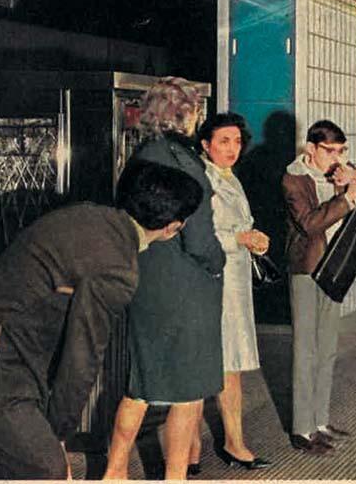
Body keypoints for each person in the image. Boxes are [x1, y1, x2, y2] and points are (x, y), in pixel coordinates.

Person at [0, 161, 202, 480]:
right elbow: (81, 362)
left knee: (34, 463)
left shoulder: (85, 213)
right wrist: (59, 433)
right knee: (49, 469)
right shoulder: (119, 271)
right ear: (173, 227)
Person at [105, 77, 227, 481]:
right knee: (188, 391)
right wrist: (218, 262)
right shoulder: (184, 161)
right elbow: (200, 239)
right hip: (186, 287)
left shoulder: (141, 156)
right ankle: (175, 477)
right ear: (185, 113)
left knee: (140, 384)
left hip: (145, 279)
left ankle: (114, 470)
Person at [282, 120, 356, 455]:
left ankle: (320, 421)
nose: (337, 158)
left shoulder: (340, 171)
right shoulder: (293, 178)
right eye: (330, 151)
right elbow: (310, 223)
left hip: (335, 268)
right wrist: (347, 199)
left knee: (326, 348)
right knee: (306, 350)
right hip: (307, 269)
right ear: (311, 149)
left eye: (342, 151)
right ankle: (302, 428)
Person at [195, 113, 272, 471]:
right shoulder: (202, 178)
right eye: (224, 141)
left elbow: (242, 223)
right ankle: (197, 446)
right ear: (205, 144)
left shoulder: (231, 177)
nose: (232, 149)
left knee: (231, 364)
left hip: (235, 279)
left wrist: (255, 238)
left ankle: (232, 442)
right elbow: (200, 234)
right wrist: (240, 238)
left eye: (237, 142)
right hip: (211, 280)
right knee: (210, 363)